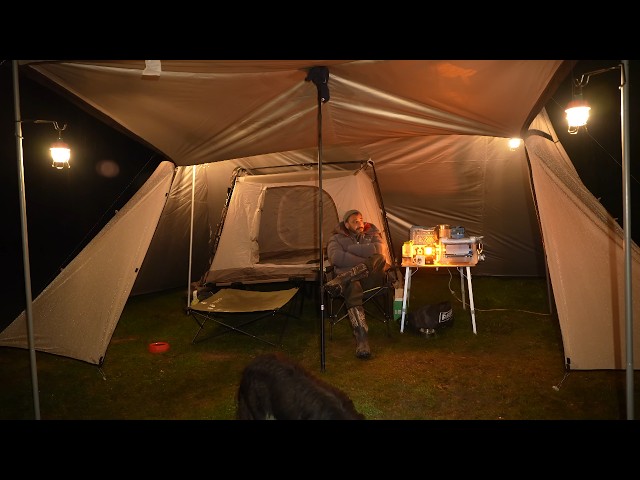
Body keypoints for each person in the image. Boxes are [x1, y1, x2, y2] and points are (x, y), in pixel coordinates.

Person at [325, 209, 390, 359]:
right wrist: (366, 259)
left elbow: (379, 251)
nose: (360, 223)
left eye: (361, 220)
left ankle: (344, 278)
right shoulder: (336, 239)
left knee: (379, 258)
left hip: (370, 279)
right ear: (346, 225)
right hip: (351, 284)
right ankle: (362, 339)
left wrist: (350, 250)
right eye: (355, 221)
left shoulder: (372, 233)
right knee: (353, 285)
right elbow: (336, 258)